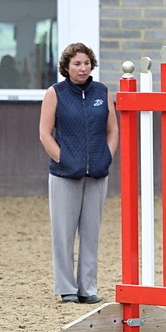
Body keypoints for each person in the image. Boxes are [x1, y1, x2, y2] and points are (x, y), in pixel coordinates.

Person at [39, 43, 118, 304]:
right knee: (63, 233)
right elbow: (45, 133)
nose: (82, 68)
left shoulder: (102, 92)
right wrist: (63, 159)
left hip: (97, 173)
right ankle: (66, 288)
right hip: (64, 175)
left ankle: (88, 288)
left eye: (86, 63)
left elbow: (113, 130)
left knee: (91, 233)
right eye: (77, 64)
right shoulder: (56, 93)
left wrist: (106, 156)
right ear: (66, 67)